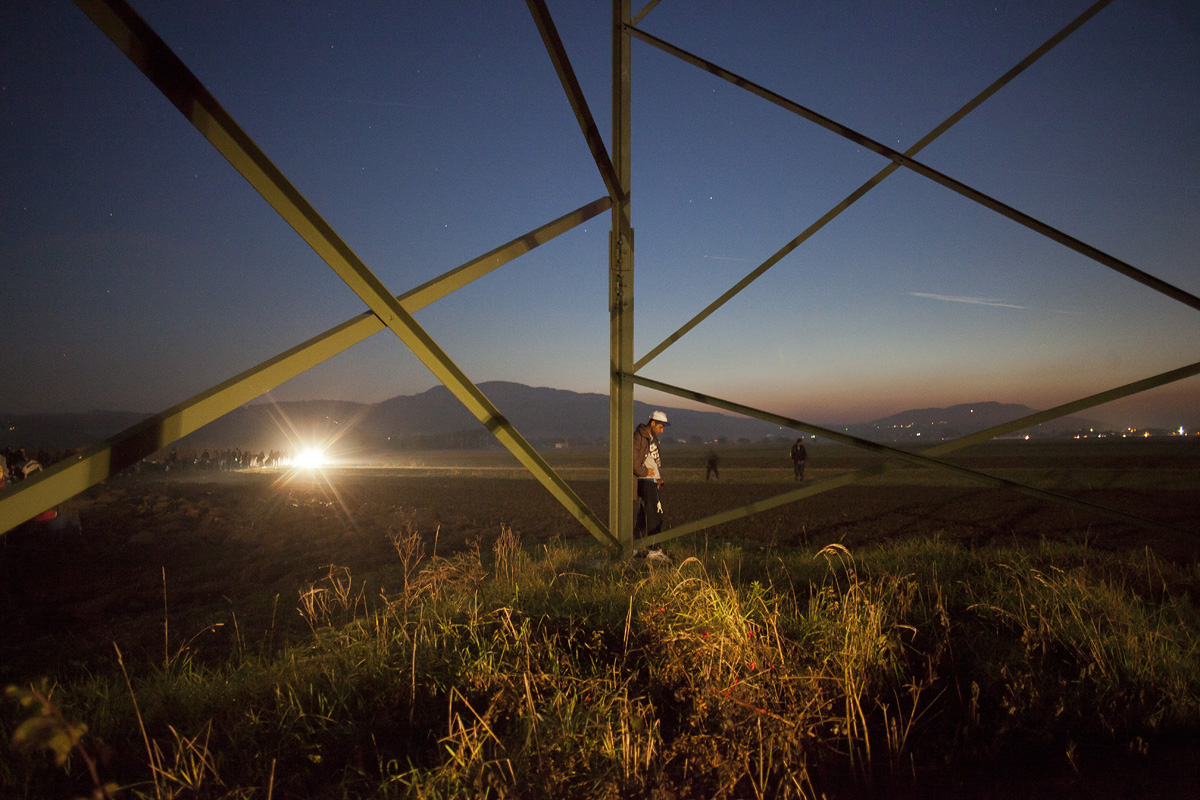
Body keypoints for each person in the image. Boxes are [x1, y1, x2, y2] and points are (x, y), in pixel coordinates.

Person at [633, 410, 669, 537]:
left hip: (652, 481)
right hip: (645, 480)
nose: (662, 431)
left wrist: (658, 477)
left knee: (646, 515)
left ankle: (638, 545)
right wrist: (646, 472)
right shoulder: (639, 437)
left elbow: (653, 460)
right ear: (653, 423)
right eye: (660, 427)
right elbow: (633, 461)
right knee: (654, 515)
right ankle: (653, 548)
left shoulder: (653, 439)